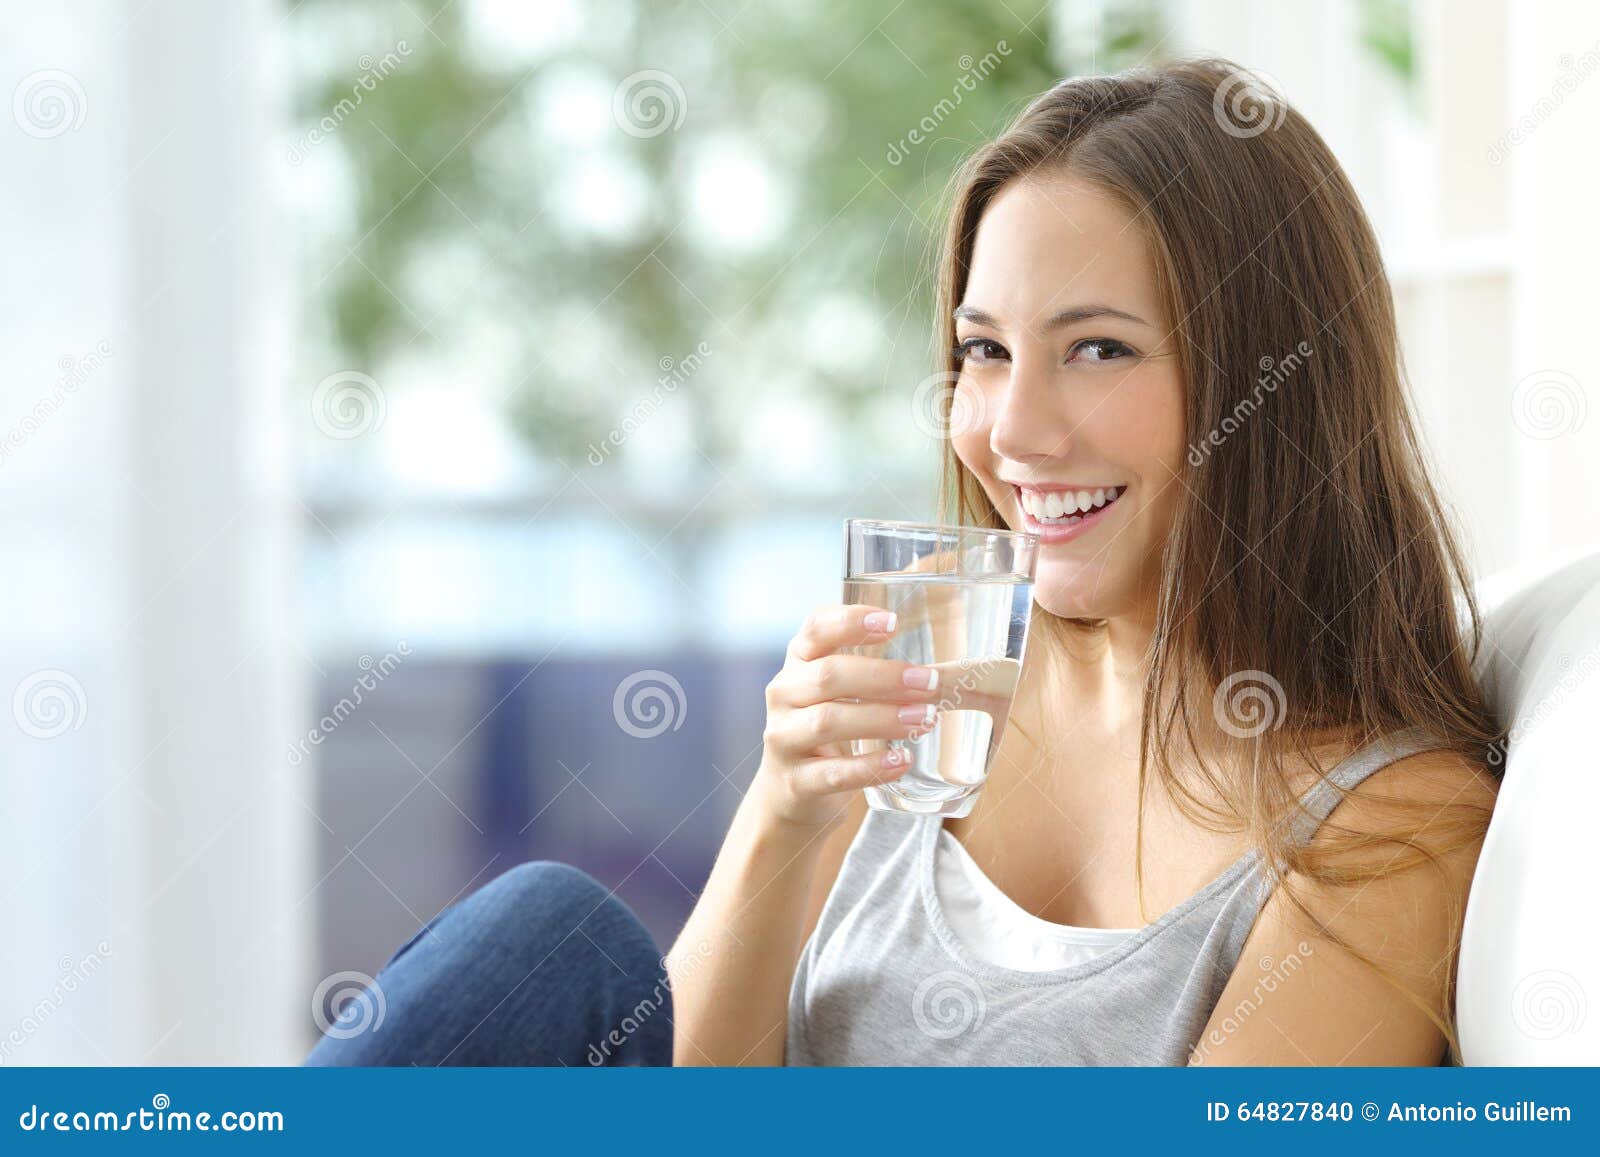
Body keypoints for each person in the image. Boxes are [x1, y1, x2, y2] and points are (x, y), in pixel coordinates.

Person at [307, 58, 1500, 1068]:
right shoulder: (938, 670)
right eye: (983, 351)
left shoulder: (1390, 823)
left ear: (1268, 384)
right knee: (553, 941)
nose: (1013, 429)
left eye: (1096, 348)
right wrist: (784, 812)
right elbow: (698, 1100)